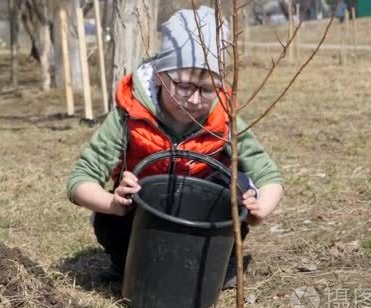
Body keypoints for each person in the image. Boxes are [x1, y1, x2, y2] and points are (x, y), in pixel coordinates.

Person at [66, 6, 284, 289]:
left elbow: (269, 177)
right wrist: (113, 204)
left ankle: (220, 263)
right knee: (110, 218)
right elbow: (79, 180)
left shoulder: (225, 119)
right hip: (145, 218)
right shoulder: (131, 114)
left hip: (203, 217)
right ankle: (127, 263)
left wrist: (259, 209)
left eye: (207, 89)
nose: (194, 100)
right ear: (159, 75)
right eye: (183, 86)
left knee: (239, 185)